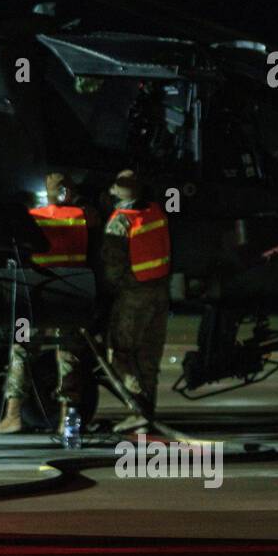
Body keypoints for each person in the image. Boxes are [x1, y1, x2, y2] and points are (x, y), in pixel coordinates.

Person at [0, 173, 97, 436]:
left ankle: (13, 416)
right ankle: (67, 421)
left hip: (36, 295)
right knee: (69, 357)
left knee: (22, 351)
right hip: (70, 296)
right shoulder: (83, 216)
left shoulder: (34, 216)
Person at [101, 169, 171, 432]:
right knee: (148, 357)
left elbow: (112, 269)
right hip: (160, 294)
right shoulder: (155, 212)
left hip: (133, 296)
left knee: (120, 353)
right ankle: (147, 418)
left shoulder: (120, 221)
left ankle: (138, 409)